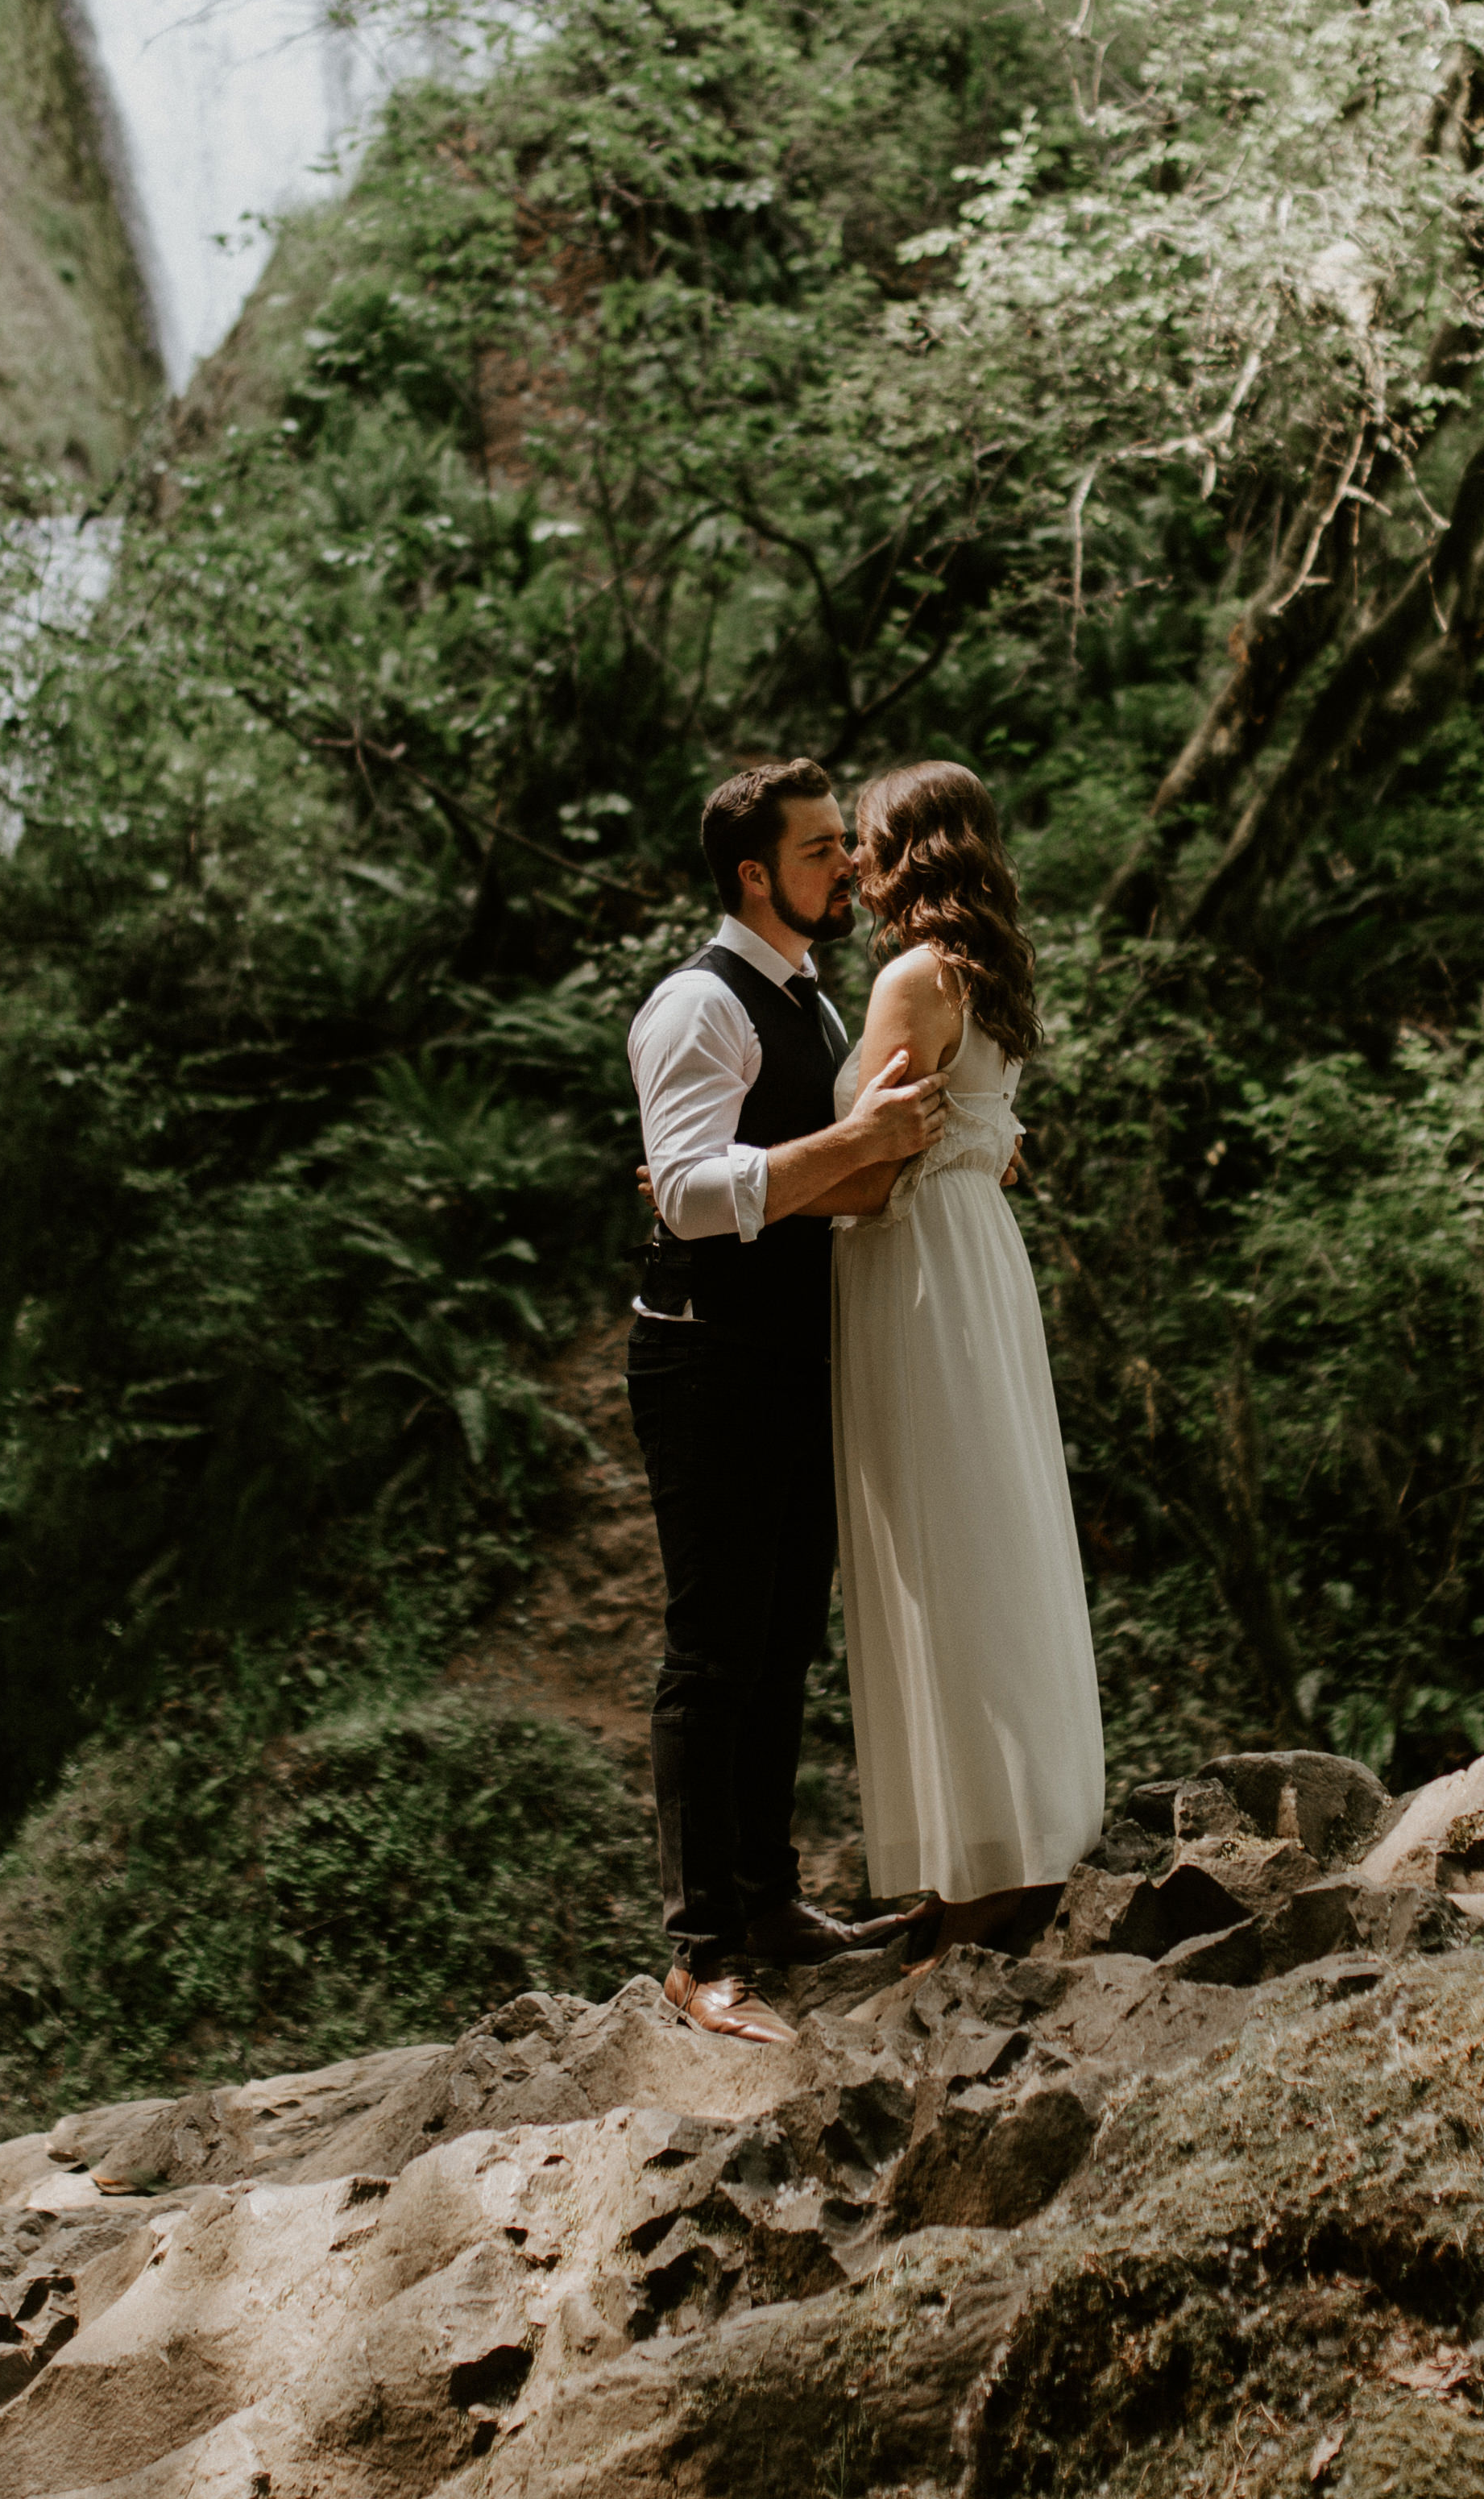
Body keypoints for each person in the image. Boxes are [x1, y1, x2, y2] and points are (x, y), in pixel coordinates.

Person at [624, 758, 946, 2045]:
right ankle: (698, 1955)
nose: (851, 870)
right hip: (706, 1357)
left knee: (778, 1645)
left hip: (796, 1351)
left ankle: (766, 1903)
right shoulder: (697, 1007)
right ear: (754, 873)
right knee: (712, 1656)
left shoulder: (809, 1000)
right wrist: (857, 1146)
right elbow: (693, 1192)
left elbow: (783, 1183)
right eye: (823, 851)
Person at [823, 760, 1105, 1959]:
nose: (851, 866)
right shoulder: (994, 972)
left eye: (864, 845)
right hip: (977, 1257)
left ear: (905, 852)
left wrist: (724, 1186)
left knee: (933, 1551)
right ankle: (1003, 1850)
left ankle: (973, 1878)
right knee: (990, 1538)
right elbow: (988, 1143)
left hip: (913, 1267)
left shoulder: (909, 977)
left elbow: (871, 1163)